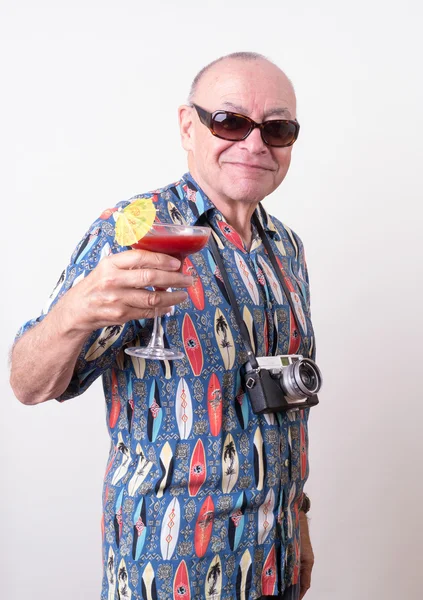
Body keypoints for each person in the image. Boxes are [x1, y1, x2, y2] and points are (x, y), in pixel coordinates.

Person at [10, 52, 316, 600]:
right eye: (230, 121)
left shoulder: (286, 248)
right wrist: (79, 310)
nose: (254, 144)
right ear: (187, 126)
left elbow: (286, 410)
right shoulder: (135, 231)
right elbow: (28, 383)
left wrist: (301, 521)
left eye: (277, 128)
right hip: (172, 566)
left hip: (275, 557)